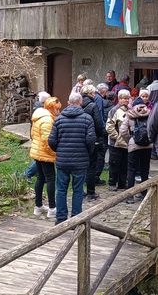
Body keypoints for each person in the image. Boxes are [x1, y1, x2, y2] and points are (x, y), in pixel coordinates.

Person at [48, 92, 96, 224]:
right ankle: (75, 219)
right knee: (78, 190)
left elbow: (51, 141)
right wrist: (88, 152)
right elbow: (91, 140)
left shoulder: (59, 119)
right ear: (80, 103)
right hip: (80, 161)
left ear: (68, 103)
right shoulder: (87, 119)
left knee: (61, 190)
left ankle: (61, 219)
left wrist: (59, 150)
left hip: (63, 160)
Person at [30, 97, 61, 218]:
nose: (58, 112)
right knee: (50, 179)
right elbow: (47, 141)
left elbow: (33, 134)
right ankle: (52, 208)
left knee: (40, 178)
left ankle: (38, 206)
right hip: (44, 153)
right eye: (57, 109)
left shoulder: (39, 116)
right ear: (51, 108)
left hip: (37, 151)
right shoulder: (47, 120)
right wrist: (54, 153)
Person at [120, 103, 152, 204]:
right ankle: (144, 194)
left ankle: (130, 196)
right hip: (147, 146)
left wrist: (130, 140)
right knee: (145, 170)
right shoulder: (150, 114)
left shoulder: (130, 114)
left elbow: (123, 131)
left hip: (134, 146)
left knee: (131, 170)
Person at [81, 84, 105, 200]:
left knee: (81, 166)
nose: (95, 95)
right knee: (91, 166)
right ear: (90, 93)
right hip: (93, 138)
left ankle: (80, 191)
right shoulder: (92, 105)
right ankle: (91, 192)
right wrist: (102, 135)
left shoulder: (78, 103)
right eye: (94, 93)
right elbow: (99, 123)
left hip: (80, 139)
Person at [22, 91, 51, 183]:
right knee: (39, 158)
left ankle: (40, 175)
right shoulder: (41, 109)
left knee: (39, 158)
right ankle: (27, 174)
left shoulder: (38, 107)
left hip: (37, 134)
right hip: (40, 136)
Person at [106, 89, 130, 191]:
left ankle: (122, 183)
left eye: (127, 98)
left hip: (127, 143)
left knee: (125, 164)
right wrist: (118, 137)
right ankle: (112, 183)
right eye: (124, 98)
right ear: (119, 99)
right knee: (114, 163)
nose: (126, 101)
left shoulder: (129, 110)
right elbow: (109, 127)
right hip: (115, 143)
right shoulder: (114, 110)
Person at [96, 91, 116, 184]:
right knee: (103, 154)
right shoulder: (113, 109)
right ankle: (96, 176)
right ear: (115, 99)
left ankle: (95, 175)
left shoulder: (100, 104)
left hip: (101, 132)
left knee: (100, 154)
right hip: (108, 133)